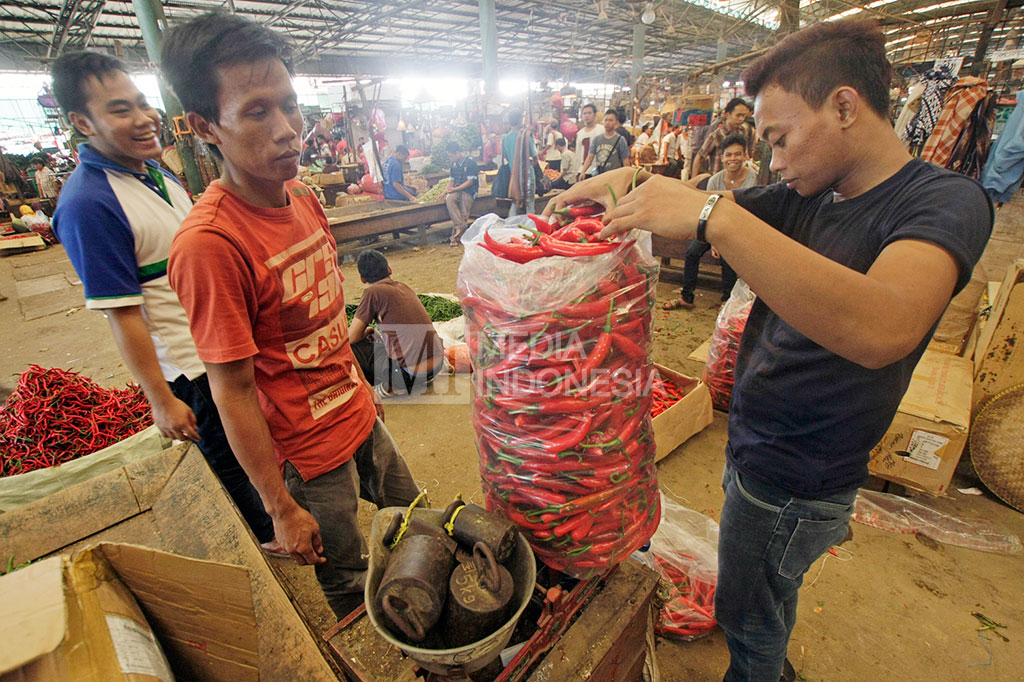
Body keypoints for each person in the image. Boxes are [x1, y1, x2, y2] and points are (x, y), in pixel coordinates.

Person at [547, 19, 992, 682]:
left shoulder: (944, 202)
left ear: (845, 106)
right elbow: (687, 210)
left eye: (781, 139)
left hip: (800, 476)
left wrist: (714, 217)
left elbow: (884, 326)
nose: (774, 161)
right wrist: (621, 186)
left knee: (746, 614)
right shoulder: (807, 195)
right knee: (762, 593)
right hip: (757, 451)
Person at [160, 12, 420, 619]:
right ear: (205, 126)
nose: (287, 131)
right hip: (307, 456)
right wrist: (278, 505)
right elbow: (232, 390)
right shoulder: (211, 245)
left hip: (359, 416)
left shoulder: (304, 197)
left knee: (421, 527)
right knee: (352, 582)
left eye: (290, 106)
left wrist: (360, 391)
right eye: (256, 112)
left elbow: (327, 317)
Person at [48, 50, 280, 555]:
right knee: (232, 463)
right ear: (81, 122)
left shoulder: (156, 173)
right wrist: (160, 399)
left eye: (141, 103)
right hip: (191, 369)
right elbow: (122, 313)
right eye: (120, 109)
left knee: (258, 449)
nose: (144, 118)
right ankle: (269, 546)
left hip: (225, 346)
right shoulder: (90, 203)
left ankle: (276, 523)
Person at [666, 133, 759, 310]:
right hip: (713, 228)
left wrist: (722, 240)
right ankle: (687, 297)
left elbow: (750, 213)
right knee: (692, 252)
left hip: (740, 229)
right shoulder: (715, 180)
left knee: (728, 255)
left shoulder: (753, 179)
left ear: (745, 155)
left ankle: (727, 301)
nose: (733, 159)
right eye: (729, 155)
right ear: (722, 157)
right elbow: (708, 212)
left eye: (737, 154)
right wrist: (715, 239)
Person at [348, 250, 445, 397]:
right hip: (437, 365)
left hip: (406, 374)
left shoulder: (372, 293)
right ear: (389, 270)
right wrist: (370, 330)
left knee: (354, 347)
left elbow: (352, 337)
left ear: (362, 279)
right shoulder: (404, 287)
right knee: (377, 341)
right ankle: (415, 379)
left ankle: (391, 387)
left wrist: (366, 330)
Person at [695, 97, 756, 177]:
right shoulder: (717, 135)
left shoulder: (743, 132)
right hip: (718, 183)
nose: (741, 119)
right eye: (738, 115)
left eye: (743, 116)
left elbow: (747, 155)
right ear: (728, 115)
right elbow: (700, 157)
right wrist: (693, 181)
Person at [501, 110, 536, 216]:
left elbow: (506, 156)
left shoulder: (505, 138)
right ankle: (532, 227)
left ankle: (511, 227)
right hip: (527, 176)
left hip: (514, 178)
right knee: (530, 205)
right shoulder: (526, 136)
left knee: (515, 204)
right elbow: (534, 156)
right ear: (521, 120)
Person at [443, 141, 478, 246]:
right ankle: (461, 226)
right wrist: (446, 190)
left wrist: (455, 189)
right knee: (449, 199)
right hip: (457, 189)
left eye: (451, 156)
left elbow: (470, 182)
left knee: (464, 204)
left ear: (457, 152)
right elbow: (452, 180)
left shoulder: (470, 162)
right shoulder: (453, 165)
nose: (451, 158)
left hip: (469, 190)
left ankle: (456, 235)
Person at [581, 109, 630, 177]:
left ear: (616, 122)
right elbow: (590, 157)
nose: (607, 122)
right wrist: (583, 172)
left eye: (610, 120)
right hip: (599, 176)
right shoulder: (597, 139)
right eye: (606, 120)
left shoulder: (620, 140)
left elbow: (625, 160)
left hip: (614, 177)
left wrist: (626, 176)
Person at [575, 103, 604, 178]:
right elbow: (578, 153)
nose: (586, 115)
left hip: (597, 170)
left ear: (595, 115)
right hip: (582, 171)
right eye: (584, 113)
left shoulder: (601, 130)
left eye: (589, 113)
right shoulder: (580, 133)